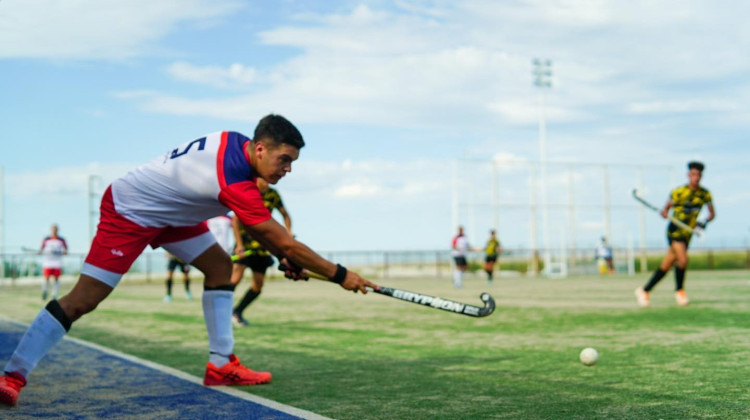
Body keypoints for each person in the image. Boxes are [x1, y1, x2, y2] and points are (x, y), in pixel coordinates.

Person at [0, 114, 378, 407]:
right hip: (130, 210)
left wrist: (286, 256)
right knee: (84, 299)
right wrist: (341, 274)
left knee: (218, 267)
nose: (288, 169)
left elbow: (279, 242)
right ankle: (12, 377)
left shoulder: (236, 142)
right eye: (285, 159)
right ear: (260, 149)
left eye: (293, 162)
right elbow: (283, 241)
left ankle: (221, 364)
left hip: (173, 215)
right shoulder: (235, 179)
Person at [635, 161, 715, 307]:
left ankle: (644, 290)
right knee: (683, 260)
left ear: (701, 176)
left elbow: (711, 214)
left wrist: (702, 223)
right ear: (688, 175)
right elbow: (666, 210)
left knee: (666, 265)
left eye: (698, 175)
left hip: (688, 233)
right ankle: (680, 291)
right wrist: (664, 213)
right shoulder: (678, 192)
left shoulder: (705, 194)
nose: (695, 177)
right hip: (674, 231)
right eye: (693, 174)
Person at [230, 178, 292, 327]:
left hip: (263, 246)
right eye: (263, 180)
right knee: (235, 279)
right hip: (245, 246)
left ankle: (237, 312)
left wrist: (289, 235)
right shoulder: (249, 192)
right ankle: (221, 311)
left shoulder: (273, 194)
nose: (266, 183)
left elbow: (286, 215)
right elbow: (235, 221)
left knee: (258, 286)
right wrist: (239, 245)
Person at [38, 224, 68, 301]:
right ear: (51, 230)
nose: (54, 231)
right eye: (53, 229)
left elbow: (66, 249)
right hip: (48, 262)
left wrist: (64, 251)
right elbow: (41, 248)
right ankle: (45, 291)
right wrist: (40, 251)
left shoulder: (61, 239)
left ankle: (54, 295)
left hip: (57, 262)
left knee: (56, 279)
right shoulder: (46, 239)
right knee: (46, 278)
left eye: (56, 229)